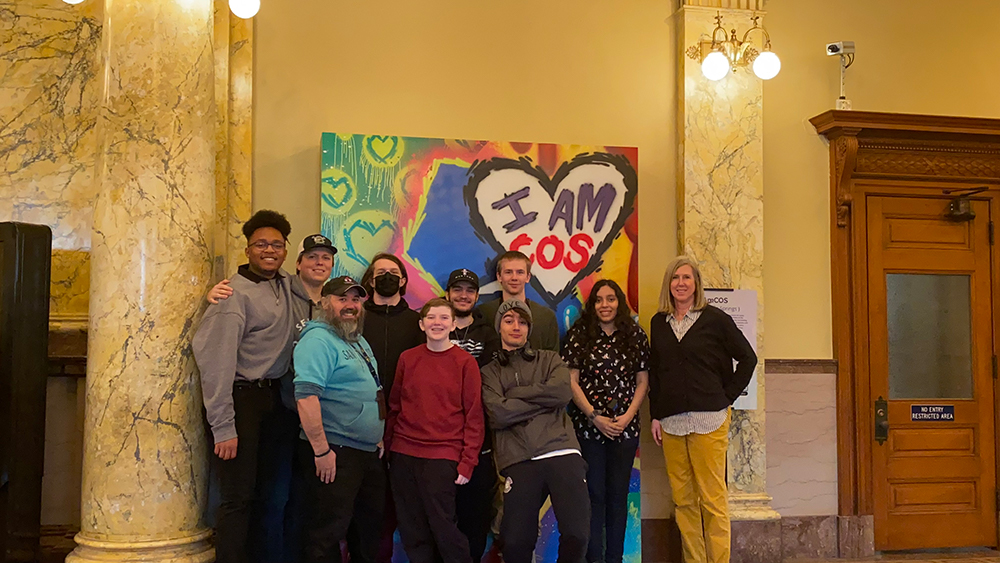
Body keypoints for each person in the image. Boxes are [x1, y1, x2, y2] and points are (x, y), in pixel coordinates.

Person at [207, 233, 338, 563]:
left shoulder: (337, 304)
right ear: (297, 264)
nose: (319, 262)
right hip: (269, 403)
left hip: (310, 415)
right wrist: (215, 293)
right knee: (258, 496)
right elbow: (254, 274)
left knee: (298, 498)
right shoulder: (278, 289)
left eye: (326, 257)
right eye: (311, 256)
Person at [193, 210, 296, 563]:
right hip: (241, 402)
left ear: (285, 250)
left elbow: (317, 287)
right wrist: (223, 427)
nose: (270, 250)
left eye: (277, 245)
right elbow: (215, 361)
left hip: (275, 401)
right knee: (238, 498)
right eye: (261, 244)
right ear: (248, 249)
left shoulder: (286, 285)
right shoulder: (233, 295)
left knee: (269, 496)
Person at [648, 256, 757, 563]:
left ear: (696, 283)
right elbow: (656, 372)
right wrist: (656, 414)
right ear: (668, 285)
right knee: (683, 501)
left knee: (712, 500)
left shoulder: (715, 319)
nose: (680, 283)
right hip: (671, 423)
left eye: (686, 277)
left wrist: (726, 397)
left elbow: (747, 358)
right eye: (675, 278)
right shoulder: (659, 322)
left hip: (710, 419)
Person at [480, 300, 589, 563]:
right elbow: (497, 413)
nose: (516, 327)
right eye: (509, 321)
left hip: (562, 450)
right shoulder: (489, 372)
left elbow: (562, 393)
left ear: (529, 328)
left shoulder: (550, 359)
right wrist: (542, 402)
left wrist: (515, 396)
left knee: (577, 534)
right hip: (519, 458)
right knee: (516, 541)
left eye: (523, 322)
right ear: (499, 327)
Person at [293, 276, 386, 563]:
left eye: (356, 299)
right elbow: (306, 398)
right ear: (324, 302)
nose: (350, 305)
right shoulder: (318, 339)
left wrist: (376, 434)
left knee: (367, 532)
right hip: (335, 451)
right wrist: (321, 451)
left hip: (365, 452)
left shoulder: (355, 339)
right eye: (341, 298)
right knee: (326, 535)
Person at [384, 298, 484, 563]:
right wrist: (389, 447)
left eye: (443, 318)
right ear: (421, 324)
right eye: (431, 317)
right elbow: (395, 406)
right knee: (411, 529)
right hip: (404, 454)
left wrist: (467, 461)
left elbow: (474, 416)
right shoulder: (408, 358)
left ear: (453, 324)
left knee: (444, 529)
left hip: (443, 456)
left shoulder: (465, 363)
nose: (437, 323)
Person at [561, 280, 648, 563]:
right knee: (593, 494)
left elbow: (643, 381)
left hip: (625, 428)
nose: (605, 305)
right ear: (592, 305)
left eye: (610, 299)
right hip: (589, 429)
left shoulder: (634, 334)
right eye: (599, 300)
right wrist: (594, 416)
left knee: (618, 497)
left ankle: (615, 558)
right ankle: (594, 558)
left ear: (619, 302)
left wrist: (627, 416)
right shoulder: (579, 335)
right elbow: (570, 381)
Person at [356, 252, 424, 563]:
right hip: (359, 422)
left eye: (393, 272)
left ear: (403, 281)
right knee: (364, 504)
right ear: (370, 280)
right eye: (380, 271)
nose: (387, 276)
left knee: (400, 504)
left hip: (406, 425)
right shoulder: (355, 318)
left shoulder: (417, 323)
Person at [444, 268, 501, 563]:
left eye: (469, 290)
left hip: (478, 441)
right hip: (441, 440)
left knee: (476, 516)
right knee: (442, 517)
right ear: (447, 293)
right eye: (457, 289)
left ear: (477, 297)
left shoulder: (488, 333)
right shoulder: (436, 326)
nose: (463, 295)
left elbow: (489, 381)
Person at [475, 251, 559, 351]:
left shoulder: (546, 316)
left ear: (528, 277)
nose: (514, 278)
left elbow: (553, 360)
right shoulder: (483, 313)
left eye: (520, 272)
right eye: (508, 272)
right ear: (499, 277)